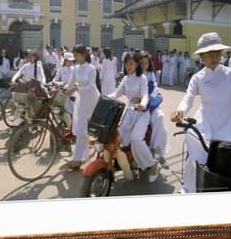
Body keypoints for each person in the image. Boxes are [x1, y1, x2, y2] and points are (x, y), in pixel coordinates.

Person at [170, 32, 231, 193]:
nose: (214, 57)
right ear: (202, 56)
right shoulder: (197, 77)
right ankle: (189, 190)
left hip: (228, 123)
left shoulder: (230, 74)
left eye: (217, 52)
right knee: (195, 159)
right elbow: (188, 98)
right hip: (205, 124)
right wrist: (180, 111)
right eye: (209, 53)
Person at [109, 52, 158, 182]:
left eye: (131, 63)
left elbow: (145, 94)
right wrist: (104, 98)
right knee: (119, 134)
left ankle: (152, 164)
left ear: (136, 64)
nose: (128, 66)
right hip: (129, 111)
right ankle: (126, 160)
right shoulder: (126, 79)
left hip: (142, 114)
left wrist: (142, 104)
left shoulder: (142, 78)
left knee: (136, 139)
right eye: (126, 63)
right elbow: (117, 93)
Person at [65, 45, 100, 169]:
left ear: (84, 55)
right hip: (81, 103)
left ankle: (93, 154)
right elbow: (69, 84)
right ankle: (78, 159)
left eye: (77, 55)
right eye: (74, 56)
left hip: (92, 101)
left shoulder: (91, 69)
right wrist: (60, 88)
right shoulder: (75, 69)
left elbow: (91, 87)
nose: (75, 58)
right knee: (81, 131)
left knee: (93, 130)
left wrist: (76, 88)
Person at [139, 51, 170, 169]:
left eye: (146, 63)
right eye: (141, 63)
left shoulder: (151, 74)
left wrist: (150, 97)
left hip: (152, 105)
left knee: (160, 117)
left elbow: (155, 88)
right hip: (139, 107)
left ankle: (158, 152)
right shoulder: (134, 74)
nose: (144, 65)